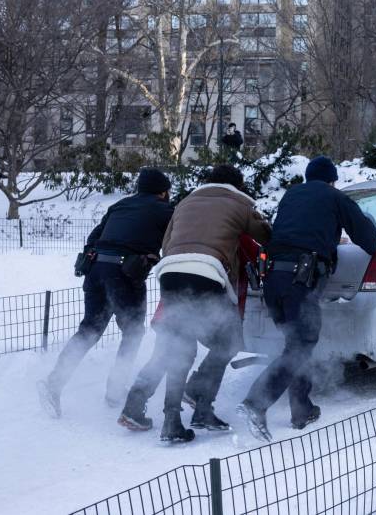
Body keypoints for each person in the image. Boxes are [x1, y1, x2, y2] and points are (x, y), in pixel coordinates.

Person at [118, 165, 271, 443]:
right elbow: (267, 238)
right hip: (207, 276)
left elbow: (166, 244)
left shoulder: (184, 202)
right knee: (228, 343)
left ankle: (164, 418)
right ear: (237, 186)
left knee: (176, 350)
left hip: (170, 275)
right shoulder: (241, 202)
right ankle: (201, 407)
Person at [238, 156, 376, 442]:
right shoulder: (335, 197)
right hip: (299, 280)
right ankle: (256, 402)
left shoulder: (291, 196)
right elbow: (369, 241)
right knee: (301, 345)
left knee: (295, 344)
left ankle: (301, 409)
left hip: (273, 280)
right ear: (332, 179)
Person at [37, 168, 174, 418]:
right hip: (125, 273)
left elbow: (94, 236)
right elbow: (176, 239)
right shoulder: (165, 210)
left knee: (90, 329)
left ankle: (54, 383)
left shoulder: (121, 205)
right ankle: (114, 390)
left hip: (96, 269)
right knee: (133, 332)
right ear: (163, 191)